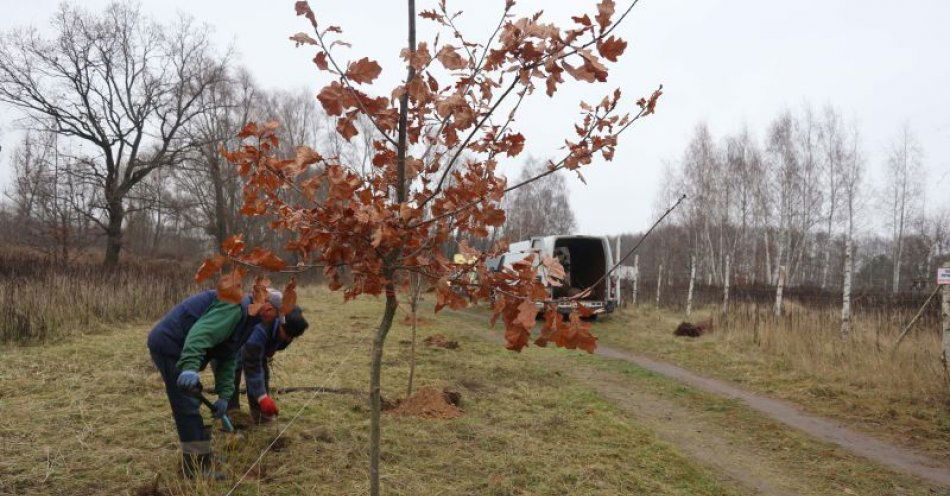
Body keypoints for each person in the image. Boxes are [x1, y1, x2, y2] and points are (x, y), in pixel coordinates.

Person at [146, 289, 282, 479]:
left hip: (184, 347)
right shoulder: (234, 307)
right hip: (171, 345)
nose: (276, 320)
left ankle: (203, 457)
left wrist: (225, 395)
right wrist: (190, 367)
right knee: (187, 406)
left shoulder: (249, 320)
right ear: (268, 307)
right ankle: (195, 468)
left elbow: (228, 356)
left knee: (192, 400)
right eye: (277, 314)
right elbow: (200, 334)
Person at [229, 304, 309, 424]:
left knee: (263, 373)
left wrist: (272, 347)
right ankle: (232, 415)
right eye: (287, 336)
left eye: (293, 337)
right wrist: (262, 397)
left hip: (256, 345)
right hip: (232, 338)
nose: (289, 340)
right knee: (232, 371)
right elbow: (252, 368)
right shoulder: (259, 332)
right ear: (281, 325)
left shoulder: (290, 316)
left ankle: (261, 417)